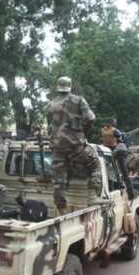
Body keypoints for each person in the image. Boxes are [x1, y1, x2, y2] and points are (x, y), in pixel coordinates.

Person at [46, 76, 101, 210]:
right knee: (95, 164)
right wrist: (82, 132)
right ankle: (93, 198)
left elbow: (49, 126)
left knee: (59, 182)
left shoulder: (50, 105)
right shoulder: (78, 100)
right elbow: (91, 118)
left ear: (58, 87)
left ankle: (61, 209)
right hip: (76, 147)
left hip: (57, 148)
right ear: (70, 86)